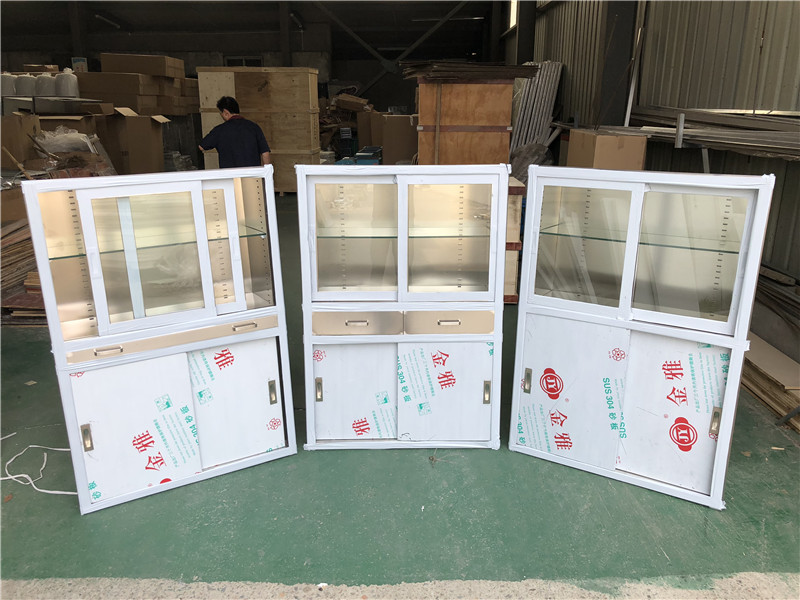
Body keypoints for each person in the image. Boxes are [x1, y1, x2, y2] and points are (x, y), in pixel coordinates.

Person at [198, 96, 271, 168]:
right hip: (252, 174)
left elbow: (201, 147)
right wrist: (266, 172)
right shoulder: (254, 127)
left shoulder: (219, 130)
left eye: (221, 113)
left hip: (230, 174)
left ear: (226, 113)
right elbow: (265, 153)